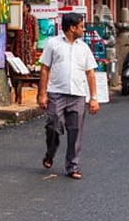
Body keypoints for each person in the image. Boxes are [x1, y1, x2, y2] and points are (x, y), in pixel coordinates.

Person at [38, 12, 100, 179]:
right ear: (72, 28)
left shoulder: (84, 48)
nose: (83, 29)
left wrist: (94, 98)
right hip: (56, 93)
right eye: (81, 26)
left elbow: (90, 73)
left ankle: (72, 166)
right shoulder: (53, 44)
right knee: (53, 125)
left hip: (78, 95)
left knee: (75, 131)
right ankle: (50, 153)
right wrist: (42, 94)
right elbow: (44, 69)